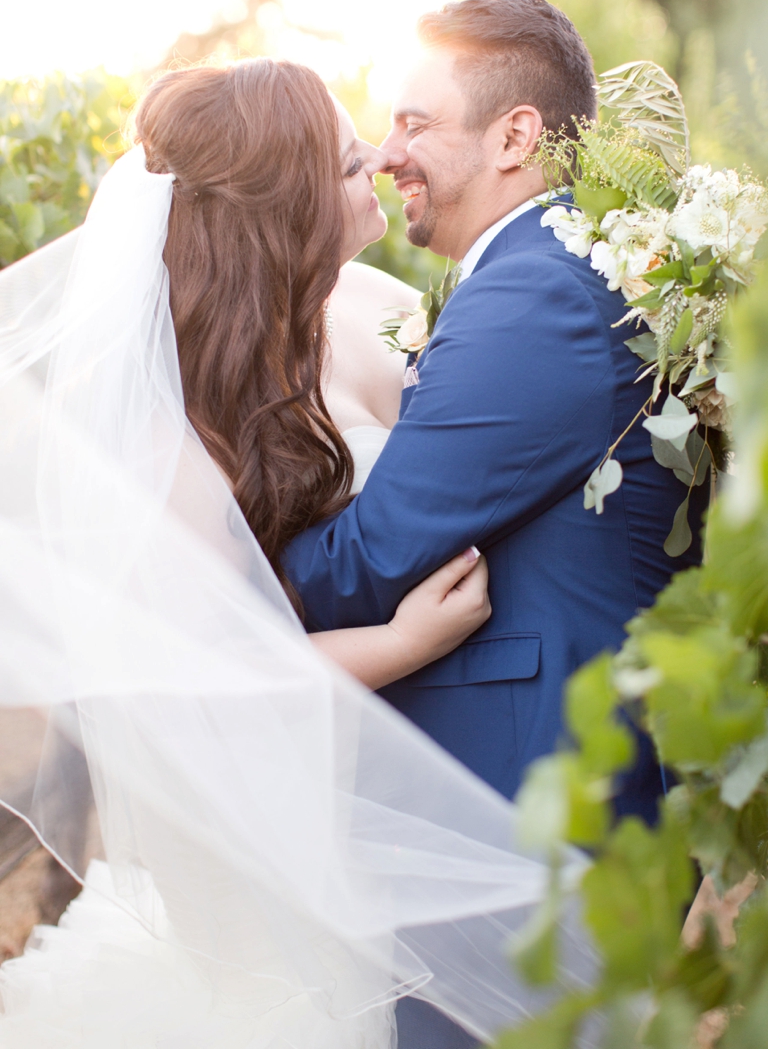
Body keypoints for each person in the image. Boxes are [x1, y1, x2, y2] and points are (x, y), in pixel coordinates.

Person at [0, 57, 595, 1048]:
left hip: (419, 760)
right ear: (279, 204)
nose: (379, 156)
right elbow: (185, 688)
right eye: (345, 157)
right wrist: (399, 645)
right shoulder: (168, 444)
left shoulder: (370, 304)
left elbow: (476, 443)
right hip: (280, 838)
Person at [283, 0, 706, 1046]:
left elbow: (377, 552)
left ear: (515, 134)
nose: (388, 154)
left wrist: (204, 581)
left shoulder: (538, 292)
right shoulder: (550, 272)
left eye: (415, 123)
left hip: (527, 816)